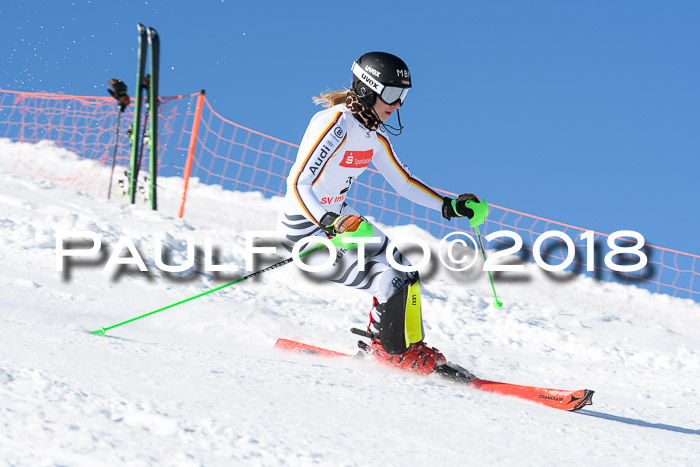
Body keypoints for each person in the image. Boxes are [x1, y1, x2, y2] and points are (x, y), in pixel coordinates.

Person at [279, 51, 481, 375]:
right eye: (391, 94)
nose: (397, 103)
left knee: (406, 271)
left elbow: (404, 183)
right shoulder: (334, 124)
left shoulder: (374, 135)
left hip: (339, 219)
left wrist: (448, 205)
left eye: (403, 95)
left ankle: (397, 343)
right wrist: (329, 222)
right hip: (306, 228)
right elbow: (298, 183)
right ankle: (392, 352)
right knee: (388, 282)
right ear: (366, 89)